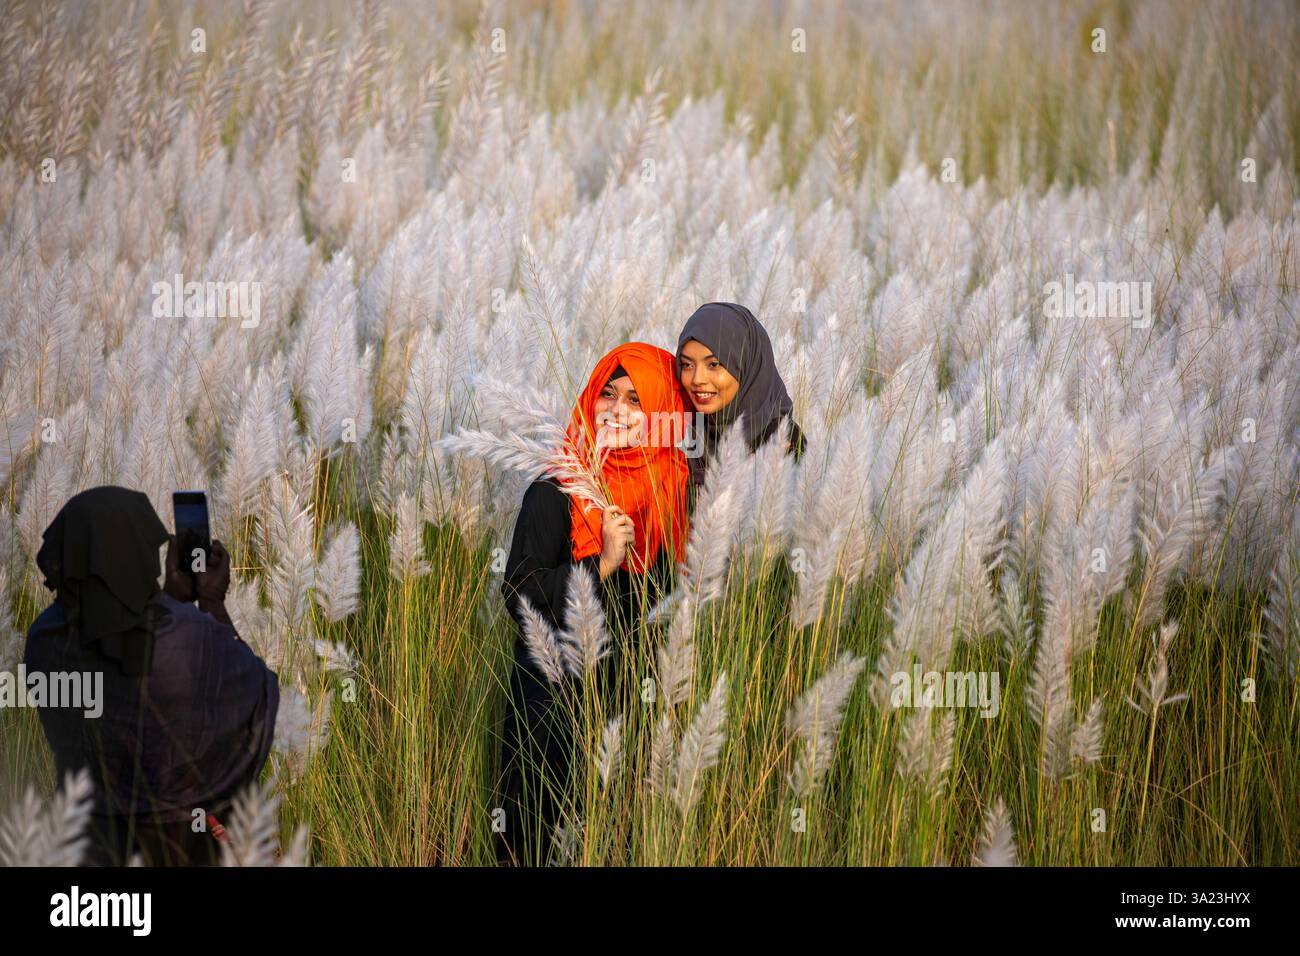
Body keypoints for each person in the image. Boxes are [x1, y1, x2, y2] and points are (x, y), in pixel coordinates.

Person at [494, 343, 691, 865]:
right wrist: (600, 565)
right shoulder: (554, 490)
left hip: (629, 711)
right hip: (551, 708)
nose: (619, 411)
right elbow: (518, 594)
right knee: (537, 840)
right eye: (608, 394)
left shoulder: (670, 491)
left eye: (636, 398)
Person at [22, 485, 279, 866]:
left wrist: (170, 601)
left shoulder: (44, 640)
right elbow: (258, 693)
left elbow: (117, 643)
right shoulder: (190, 633)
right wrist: (209, 601)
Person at [676, 301, 807, 511]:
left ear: (746, 364)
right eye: (687, 365)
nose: (697, 379)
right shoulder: (682, 435)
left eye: (713, 364)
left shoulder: (783, 440)